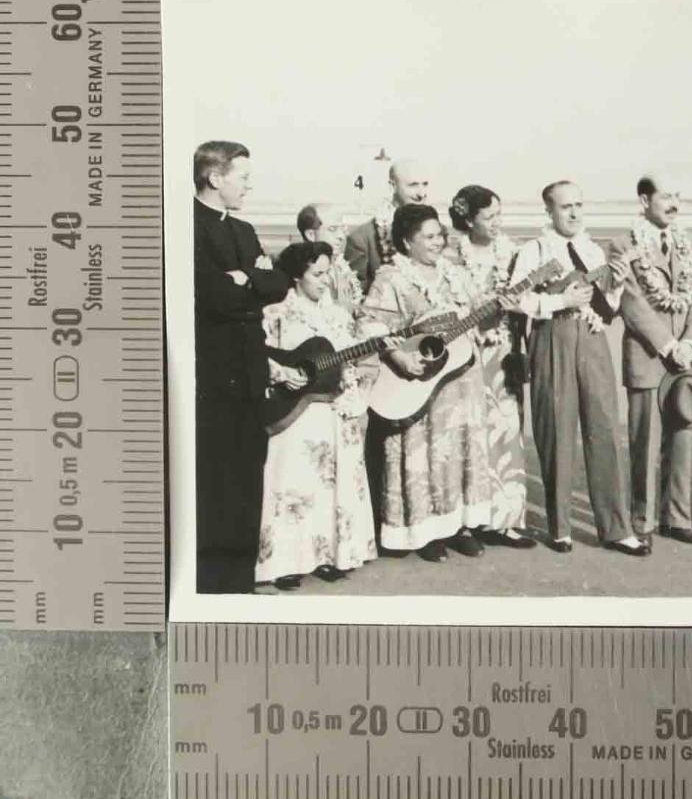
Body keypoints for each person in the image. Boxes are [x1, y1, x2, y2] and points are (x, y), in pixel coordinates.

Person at [509, 180, 649, 557]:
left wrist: (616, 286)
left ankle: (617, 528)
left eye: (579, 206)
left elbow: (606, 310)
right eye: (565, 206)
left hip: (592, 341)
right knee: (556, 428)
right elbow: (514, 299)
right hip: (550, 340)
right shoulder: (533, 250)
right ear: (549, 212)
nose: (574, 213)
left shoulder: (591, 250)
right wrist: (559, 300)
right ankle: (560, 527)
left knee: (604, 427)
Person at [357, 204, 494, 563]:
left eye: (441, 235)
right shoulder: (392, 278)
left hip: (462, 381)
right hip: (417, 384)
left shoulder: (456, 274)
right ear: (406, 241)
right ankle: (425, 530)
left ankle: (461, 526)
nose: (438, 243)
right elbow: (370, 325)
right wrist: (401, 358)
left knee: (460, 450)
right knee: (424, 454)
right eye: (429, 237)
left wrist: (498, 310)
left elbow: (481, 316)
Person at [192, 140, 290, 593]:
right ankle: (213, 585)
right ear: (216, 178)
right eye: (243, 177)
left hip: (250, 373)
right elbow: (216, 299)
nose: (249, 185)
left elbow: (279, 284)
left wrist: (247, 278)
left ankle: (241, 579)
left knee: (250, 478)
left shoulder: (246, 230)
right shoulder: (188, 228)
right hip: (215, 377)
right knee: (217, 482)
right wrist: (253, 284)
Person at [255, 241, 378, 590]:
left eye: (328, 273)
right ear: (296, 276)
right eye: (317, 274)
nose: (326, 281)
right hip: (293, 411)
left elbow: (354, 358)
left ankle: (325, 556)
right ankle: (284, 561)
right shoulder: (276, 313)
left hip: (333, 408)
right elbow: (258, 352)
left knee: (328, 487)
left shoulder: (338, 315)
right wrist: (280, 372)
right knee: (292, 484)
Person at [609, 174, 692, 546]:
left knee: (682, 439)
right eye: (667, 195)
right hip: (649, 359)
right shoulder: (622, 246)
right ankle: (644, 520)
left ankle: (677, 517)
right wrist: (669, 345)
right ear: (643, 201)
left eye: (678, 195)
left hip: (685, 361)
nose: (674, 204)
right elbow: (631, 303)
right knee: (645, 443)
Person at [446, 184, 537, 549]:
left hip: (504, 350)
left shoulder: (512, 253)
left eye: (500, 215)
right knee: (469, 432)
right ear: (468, 219)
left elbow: (528, 296)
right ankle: (465, 523)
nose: (496, 223)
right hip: (467, 353)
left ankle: (506, 520)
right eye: (489, 217)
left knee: (507, 427)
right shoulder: (452, 255)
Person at [344, 159, 430, 293]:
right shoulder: (361, 239)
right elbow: (356, 300)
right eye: (413, 185)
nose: (421, 194)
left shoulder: (437, 234)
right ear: (392, 186)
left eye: (425, 184)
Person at [298, 203, 363, 310]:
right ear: (311, 235)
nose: (341, 236)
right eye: (333, 229)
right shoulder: (302, 274)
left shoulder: (339, 266)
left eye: (343, 229)